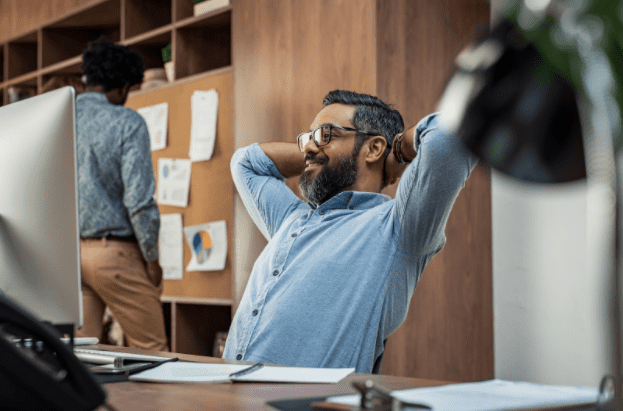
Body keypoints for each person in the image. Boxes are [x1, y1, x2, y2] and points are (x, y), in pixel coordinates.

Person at [223, 90, 478, 373]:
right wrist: (316, 152)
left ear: (373, 148)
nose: (308, 147)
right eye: (309, 137)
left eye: (326, 134)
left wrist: (399, 150)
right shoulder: (292, 218)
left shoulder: (397, 228)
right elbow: (245, 163)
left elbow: (453, 135)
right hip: (224, 395)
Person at [74, 37, 168, 351]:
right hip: (115, 254)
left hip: (71, 254)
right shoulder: (127, 122)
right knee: (152, 352)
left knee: (83, 356)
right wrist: (152, 259)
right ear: (123, 86)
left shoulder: (62, 119)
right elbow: (139, 200)